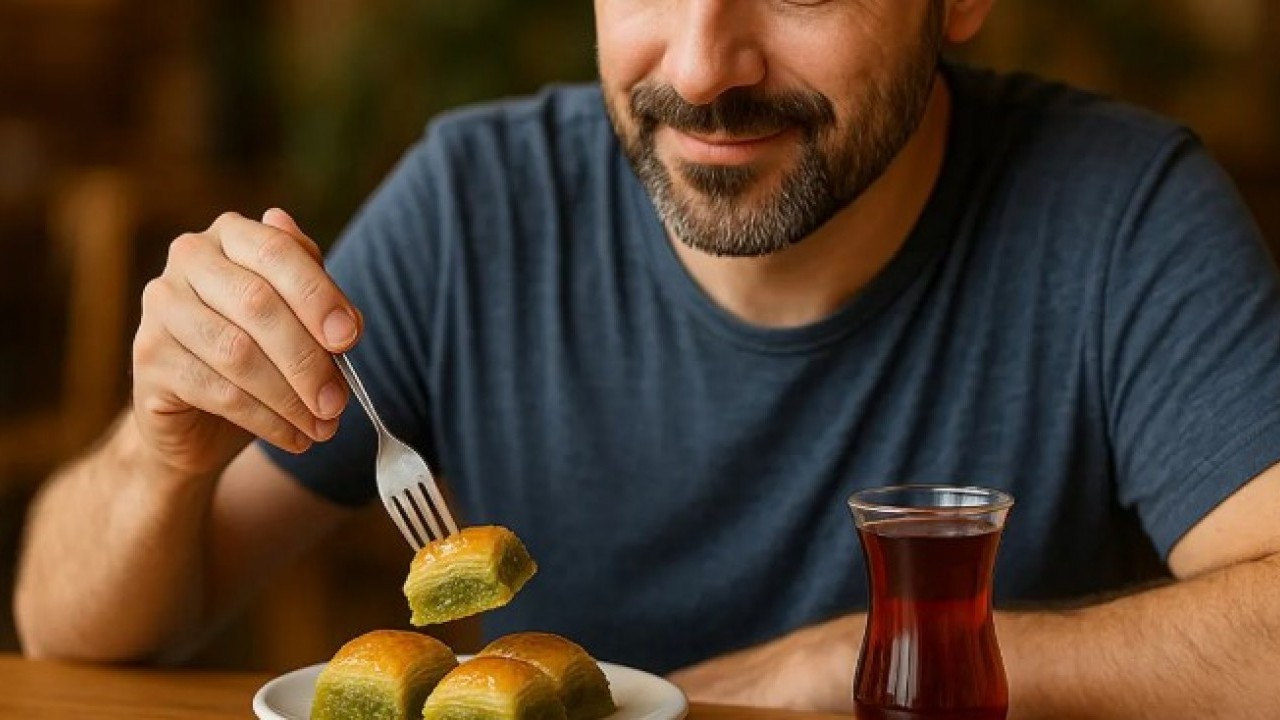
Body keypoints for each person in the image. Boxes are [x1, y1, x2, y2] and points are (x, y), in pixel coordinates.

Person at [14, 0, 1280, 716]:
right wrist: (160, 455)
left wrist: (846, 669)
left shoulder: (1120, 211)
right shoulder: (475, 202)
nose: (700, 69)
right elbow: (67, 635)